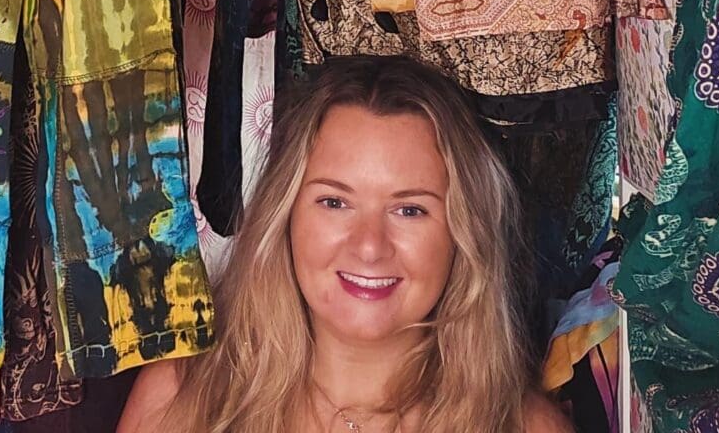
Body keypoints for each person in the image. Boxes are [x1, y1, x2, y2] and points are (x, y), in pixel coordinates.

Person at [117, 55, 573, 433]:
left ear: (463, 232)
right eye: (334, 202)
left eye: (409, 210)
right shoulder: (178, 398)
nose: (369, 246)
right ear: (284, 214)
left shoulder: (527, 427)